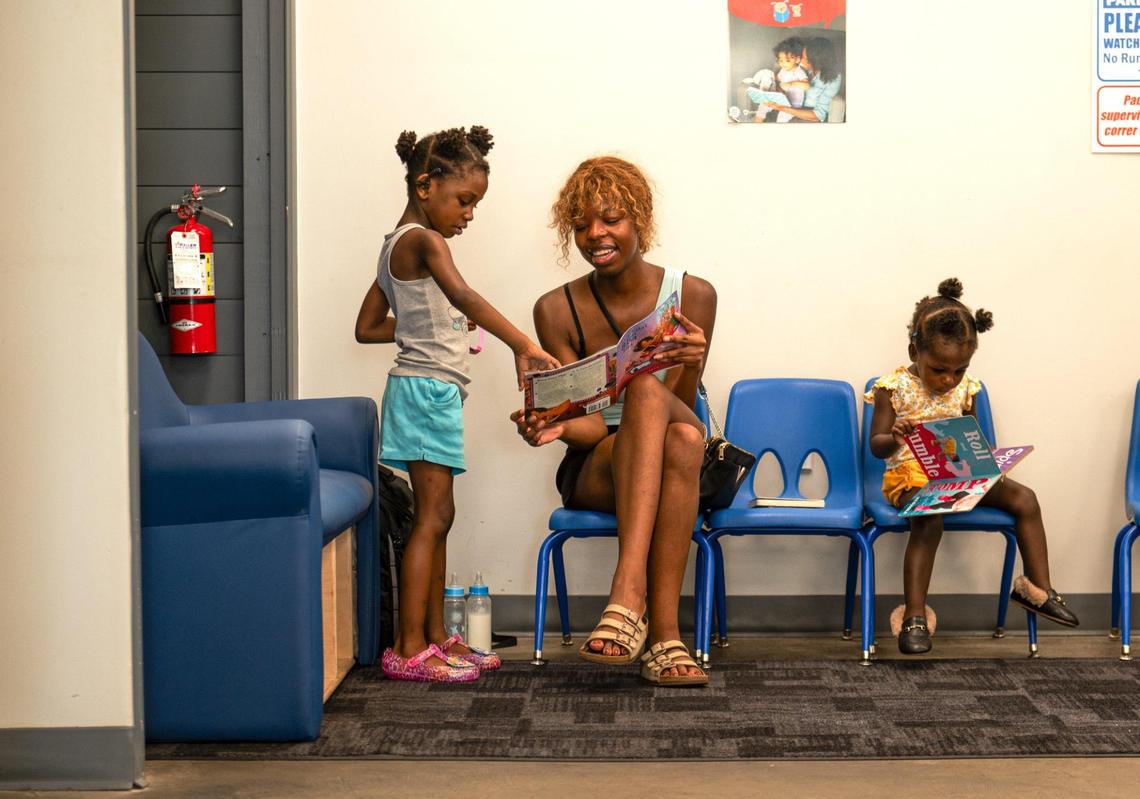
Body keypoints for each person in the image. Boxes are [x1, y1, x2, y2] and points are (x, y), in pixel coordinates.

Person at [355, 125, 560, 682]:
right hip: (424, 392)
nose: (469, 213)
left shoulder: (391, 245)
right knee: (435, 515)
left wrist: (429, 326)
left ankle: (434, 637)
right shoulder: (423, 240)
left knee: (438, 517)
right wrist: (522, 343)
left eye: (476, 204)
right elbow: (462, 293)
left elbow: (368, 326)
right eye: (464, 200)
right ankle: (408, 648)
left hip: (429, 390)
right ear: (426, 185)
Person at [511, 156, 717, 686]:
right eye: (581, 224)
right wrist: (553, 424)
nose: (595, 235)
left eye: (610, 219)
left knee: (666, 417)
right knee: (667, 426)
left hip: (678, 445)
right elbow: (588, 428)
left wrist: (691, 363)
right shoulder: (556, 309)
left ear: (640, 221)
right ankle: (663, 634)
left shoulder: (694, 295)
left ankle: (634, 602)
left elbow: (688, 417)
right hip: (596, 465)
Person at [865, 278, 1079, 655]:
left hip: (958, 473)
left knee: (1025, 498)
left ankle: (1039, 591)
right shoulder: (892, 387)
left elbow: (975, 437)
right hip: (910, 477)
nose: (949, 380)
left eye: (959, 370)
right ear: (914, 349)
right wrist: (895, 435)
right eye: (939, 369)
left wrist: (986, 453)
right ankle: (915, 616)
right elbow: (876, 446)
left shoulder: (969, 389)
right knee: (930, 518)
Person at [762, 36, 843, 122]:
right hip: (789, 106)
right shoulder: (803, 69)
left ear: (816, 60)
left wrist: (782, 108)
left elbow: (818, 115)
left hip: (808, 116)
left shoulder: (834, 78)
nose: (800, 61)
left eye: (804, 58)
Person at [748, 36, 808, 123]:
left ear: (797, 59)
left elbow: (807, 85)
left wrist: (792, 83)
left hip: (793, 105)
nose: (783, 64)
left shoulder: (799, 71)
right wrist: (769, 76)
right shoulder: (783, 70)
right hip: (782, 99)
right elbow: (777, 78)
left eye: (787, 61)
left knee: (782, 118)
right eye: (780, 60)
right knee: (763, 106)